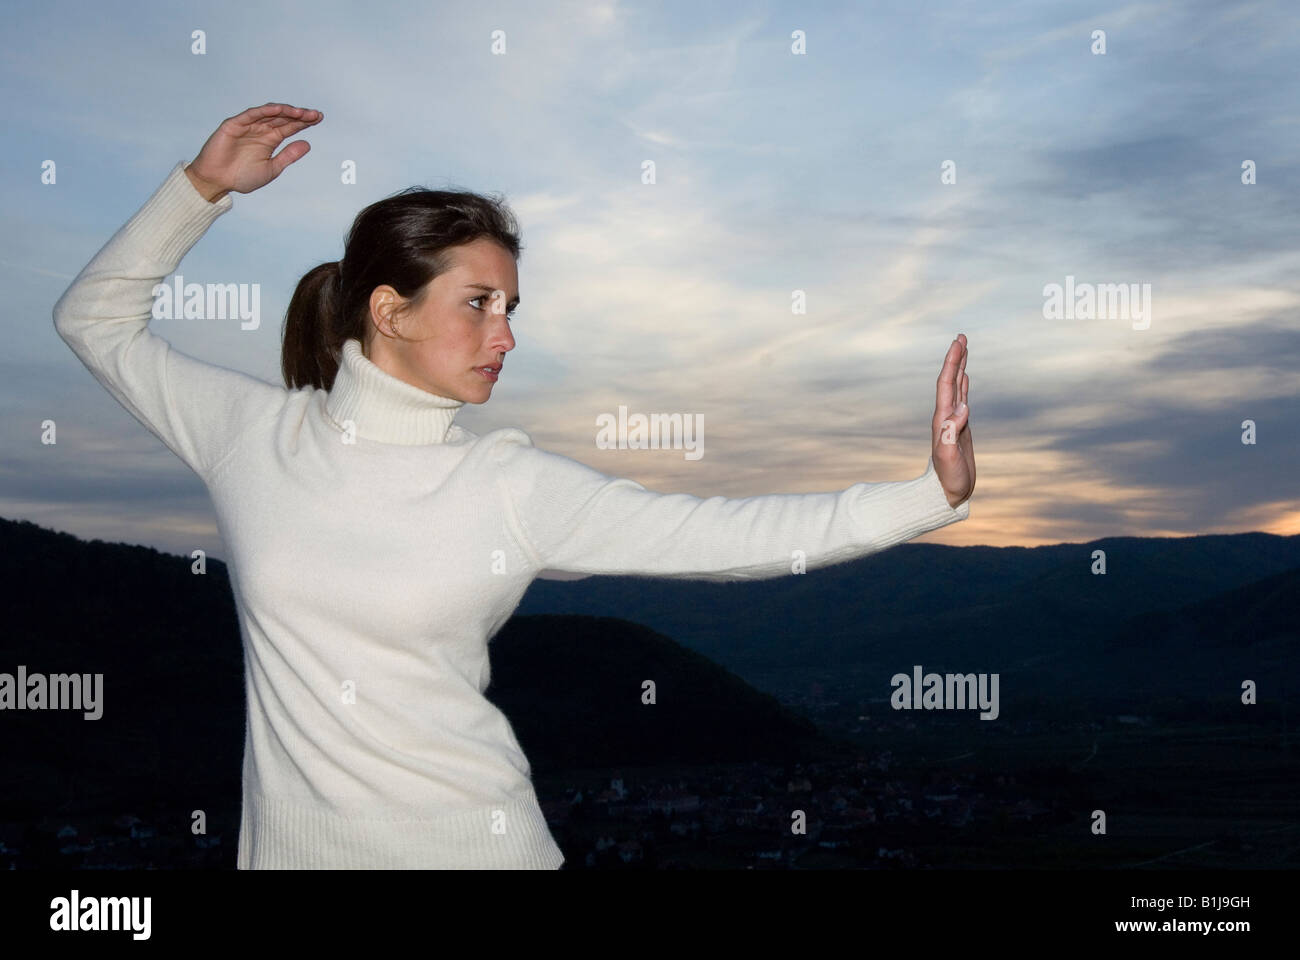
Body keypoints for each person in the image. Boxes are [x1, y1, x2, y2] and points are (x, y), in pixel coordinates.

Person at [52, 102, 976, 869]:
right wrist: (201, 189)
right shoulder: (252, 436)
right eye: (479, 304)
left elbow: (715, 535)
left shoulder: (507, 484)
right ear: (390, 310)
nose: (506, 335)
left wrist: (926, 495)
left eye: (512, 308)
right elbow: (94, 322)